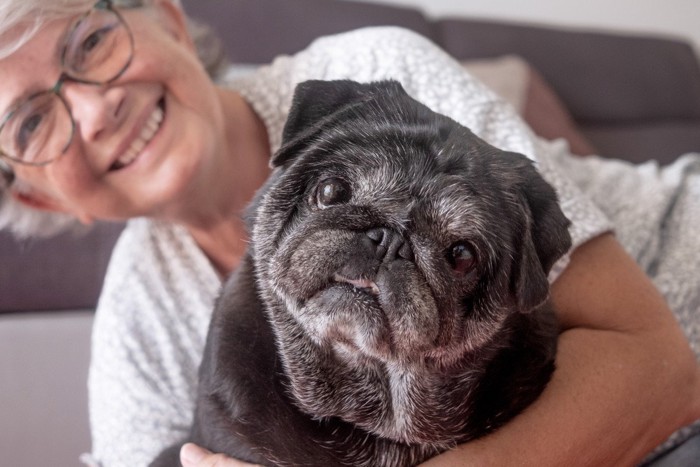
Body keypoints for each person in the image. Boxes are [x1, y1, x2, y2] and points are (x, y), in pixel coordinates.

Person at [0, 1, 697, 466]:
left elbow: (662, 371)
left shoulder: (371, 73)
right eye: (30, 121)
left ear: (170, 21)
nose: (93, 109)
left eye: (89, 43)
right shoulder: (139, 314)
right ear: (37, 190)